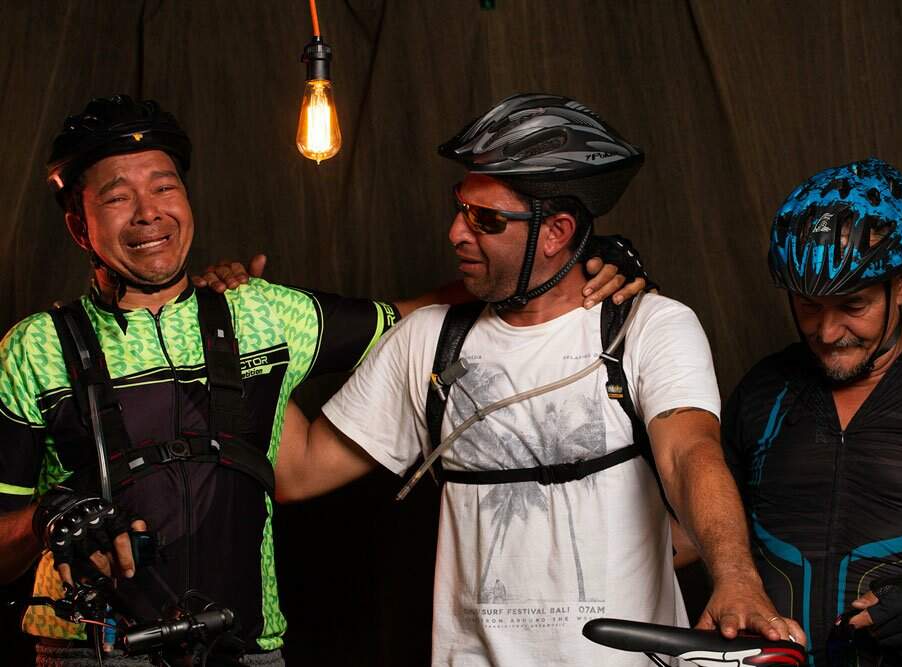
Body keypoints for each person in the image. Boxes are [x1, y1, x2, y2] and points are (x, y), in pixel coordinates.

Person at [0, 94, 639, 666]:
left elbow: (426, 312)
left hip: (245, 648)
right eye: (117, 197)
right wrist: (46, 517)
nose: (148, 213)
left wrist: (578, 259)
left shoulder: (264, 313)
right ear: (78, 224)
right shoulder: (34, 349)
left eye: (164, 188)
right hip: (88, 651)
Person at [274, 93, 804, 665]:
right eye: (460, 208)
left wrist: (736, 579)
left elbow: (689, 453)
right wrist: (237, 339)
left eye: (486, 219)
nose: (455, 233)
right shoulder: (427, 340)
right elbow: (298, 471)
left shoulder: (648, 326)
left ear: (556, 232)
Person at [722, 157, 902, 666]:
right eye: (808, 306)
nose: (828, 333)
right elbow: (692, 530)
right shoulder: (763, 390)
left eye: (853, 306)